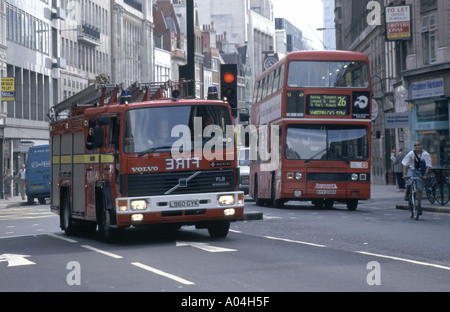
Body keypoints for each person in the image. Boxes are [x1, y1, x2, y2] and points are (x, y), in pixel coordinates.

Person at [402, 141, 432, 214]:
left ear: (421, 146)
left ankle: (419, 205)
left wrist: (425, 174)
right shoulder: (411, 153)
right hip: (412, 170)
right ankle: (407, 191)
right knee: (409, 182)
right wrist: (404, 174)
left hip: (420, 172)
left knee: (420, 189)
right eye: (415, 145)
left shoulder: (425, 154)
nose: (417, 146)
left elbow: (428, 165)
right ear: (414, 147)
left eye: (418, 145)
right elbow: (405, 164)